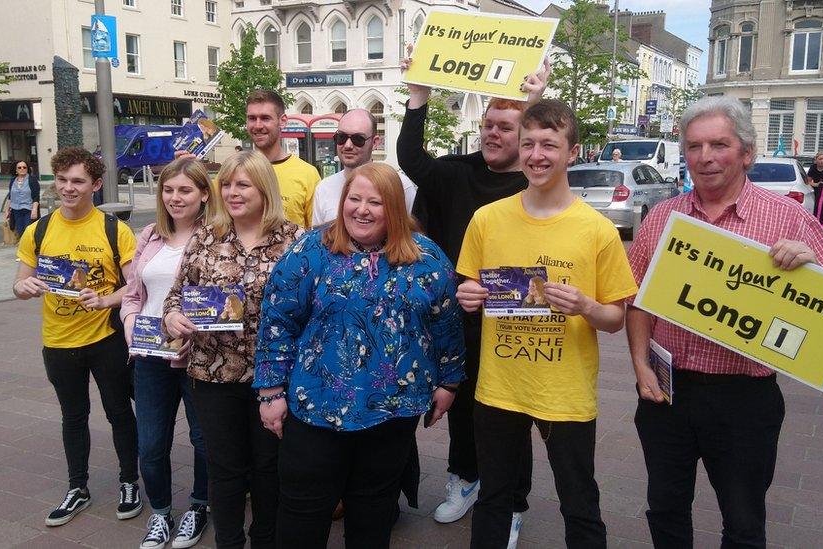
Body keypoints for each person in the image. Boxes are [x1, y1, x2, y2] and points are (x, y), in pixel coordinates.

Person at [625, 97, 823, 548]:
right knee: (666, 509)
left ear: (746, 153)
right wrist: (640, 366)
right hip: (667, 390)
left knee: (744, 520)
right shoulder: (661, 219)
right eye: (694, 146)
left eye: (718, 144)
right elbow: (637, 301)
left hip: (745, 397)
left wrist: (812, 266)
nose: (705, 157)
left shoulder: (787, 217)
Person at [456, 99, 637, 549]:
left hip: (565, 391)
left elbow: (616, 319)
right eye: (529, 144)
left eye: (549, 145)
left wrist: (585, 307)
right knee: (494, 499)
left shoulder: (597, 230)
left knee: (579, 502)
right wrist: (468, 296)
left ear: (572, 152)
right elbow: (469, 289)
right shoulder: (487, 219)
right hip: (499, 387)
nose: (536, 155)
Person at [254, 162, 465, 547]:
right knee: (302, 516)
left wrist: (449, 381)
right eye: (354, 198)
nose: (362, 209)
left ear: (396, 210)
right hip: (315, 408)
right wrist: (270, 392)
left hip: (391, 413)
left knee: (373, 514)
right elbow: (277, 321)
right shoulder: (310, 251)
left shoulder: (427, 259)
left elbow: (446, 325)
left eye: (375, 202)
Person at [398, 49, 549, 537]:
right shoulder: (455, 171)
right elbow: (411, 159)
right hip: (457, 314)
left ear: (524, 136)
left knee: (510, 413)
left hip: (513, 316)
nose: (493, 132)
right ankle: (464, 479)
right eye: (489, 123)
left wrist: (536, 99)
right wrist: (418, 96)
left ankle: (512, 503)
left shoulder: (535, 182)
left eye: (506, 126)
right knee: (459, 402)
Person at [163, 151, 302, 549]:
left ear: (264, 188)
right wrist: (173, 318)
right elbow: (175, 297)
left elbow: (311, 307)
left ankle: (265, 541)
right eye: (226, 184)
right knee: (224, 470)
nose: (232, 192)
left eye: (243, 184)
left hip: (273, 379)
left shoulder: (295, 240)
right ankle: (228, 543)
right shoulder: (207, 236)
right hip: (213, 374)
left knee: (267, 469)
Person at [12, 147, 142, 527]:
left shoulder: (113, 229)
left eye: (78, 181)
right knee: (73, 416)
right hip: (57, 341)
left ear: (96, 184)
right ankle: (77, 488)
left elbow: (135, 287)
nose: (68, 189)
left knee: (119, 412)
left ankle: (129, 481)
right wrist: (25, 287)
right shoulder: (38, 231)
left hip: (105, 340)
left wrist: (105, 300)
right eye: (63, 180)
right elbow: (20, 282)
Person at [120, 157, 212, 549]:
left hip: (198, 358)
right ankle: (160, 513)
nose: (175, 197)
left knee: (203, 439)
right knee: (151, 442)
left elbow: (219, 304)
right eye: (168, 189)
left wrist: (196, 328)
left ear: (204, 194)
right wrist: (129, 324)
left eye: (185, 190)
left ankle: (199, 506)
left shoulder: (216, 239)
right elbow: (132, 294)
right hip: (149, 356)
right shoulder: (150, 235)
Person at [311, 108, 417, 227]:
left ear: (375, 142)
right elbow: (318, 239)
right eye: (341, 137)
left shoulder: (401, 185)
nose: (348, 145)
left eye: (358, 139)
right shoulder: (324, 188)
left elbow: (412, 236)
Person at [245, 89, 320, 228]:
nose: (258, 125)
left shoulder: (308, 174)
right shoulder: (234, 171)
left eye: (265, 118)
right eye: (252, 118)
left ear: (283, 121)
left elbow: (316, 234)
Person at [5, 160, 41, 238]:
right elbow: (10, 196)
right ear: (16, 170)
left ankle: (31, 248)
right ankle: (25, 248)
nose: (22, 169)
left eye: (24, 167)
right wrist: (7, 210)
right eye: (19, 167)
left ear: (27, 169)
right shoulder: (13, 181)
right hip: (16, 211)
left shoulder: (32, 180)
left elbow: (36, 197)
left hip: (28, 210)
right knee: (20, 231)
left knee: (28, 231)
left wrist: (34, 210)